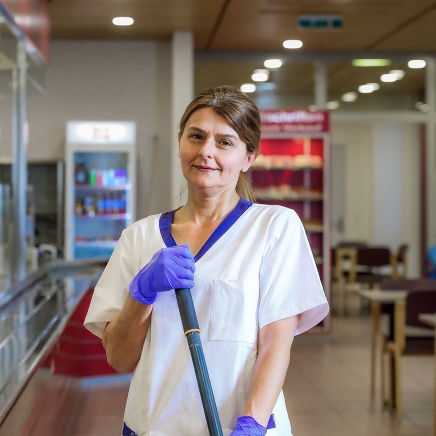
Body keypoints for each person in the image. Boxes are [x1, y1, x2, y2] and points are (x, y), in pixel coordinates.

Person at [84, 85, 329, 436]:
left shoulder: (274, 227)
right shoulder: (138, 238)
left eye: (225, 142)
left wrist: (253, 423)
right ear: (180, 141)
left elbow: (277, 342)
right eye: (195, 137)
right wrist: (141, 294)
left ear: (248, 158)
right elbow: (119, 358)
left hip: (240, 425)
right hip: (155, 425)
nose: (205, 152)